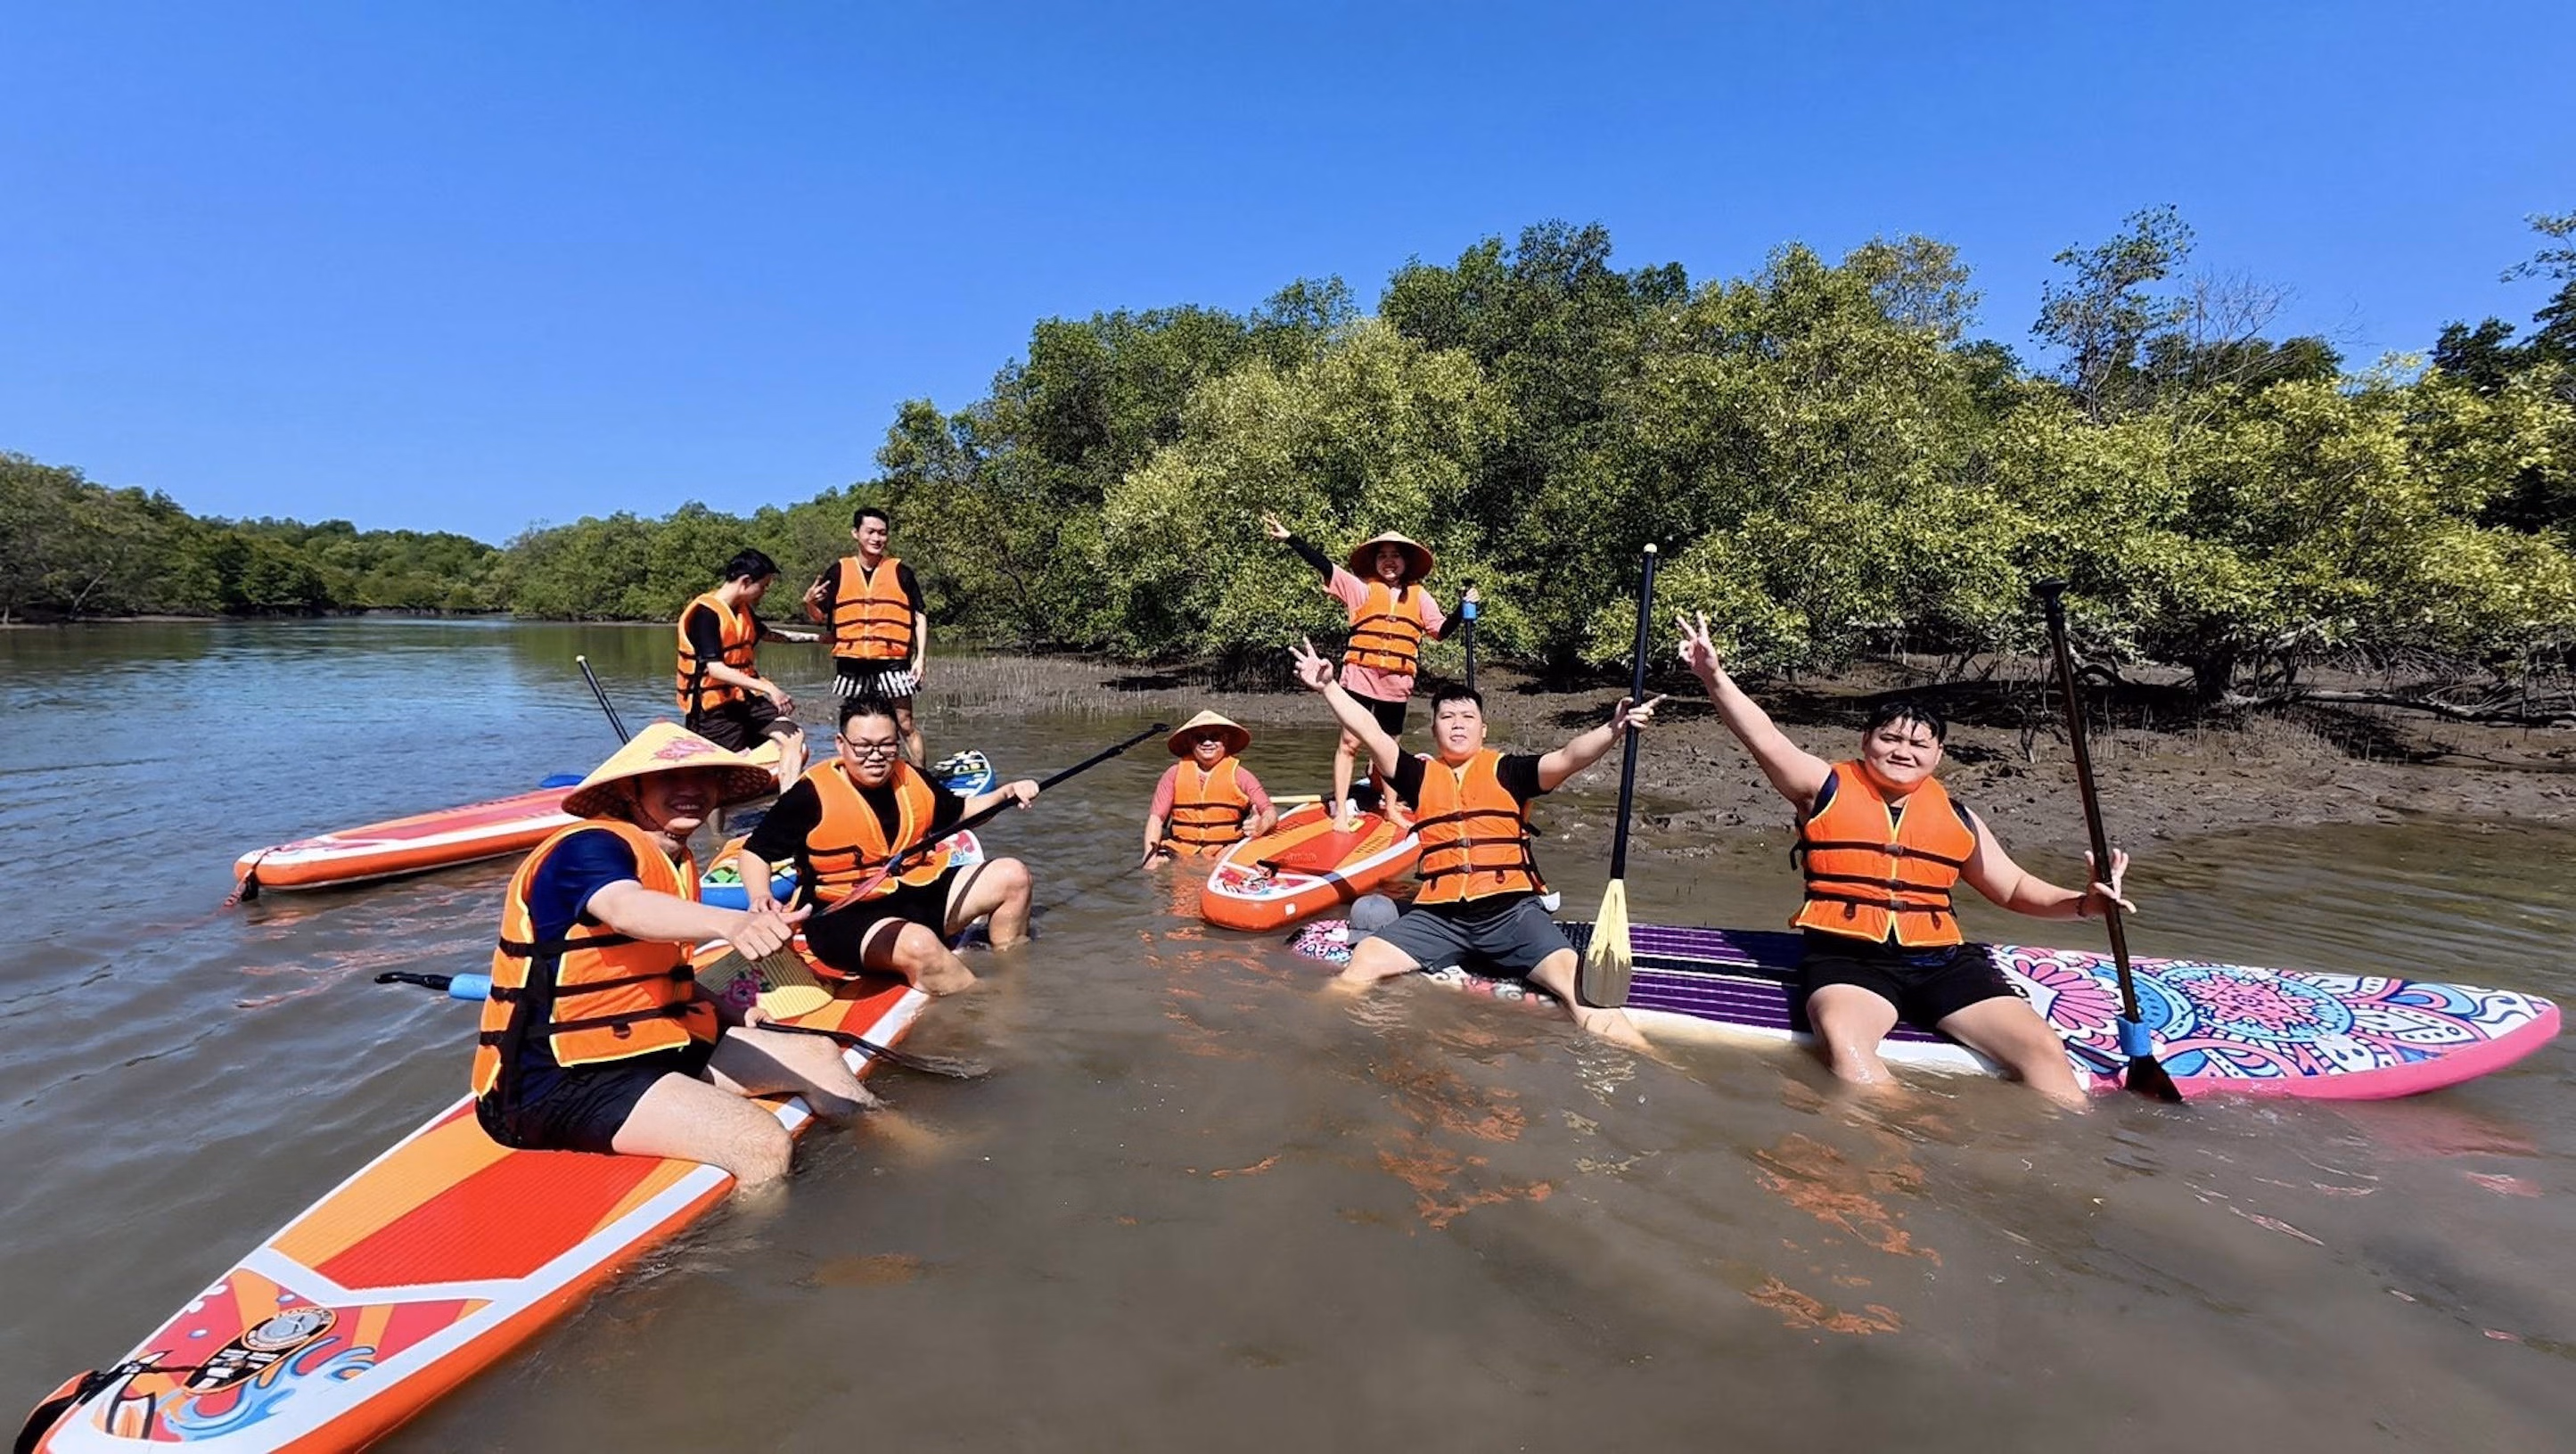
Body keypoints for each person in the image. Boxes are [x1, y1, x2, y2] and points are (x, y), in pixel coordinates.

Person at [1672, 612, 2134, 1107]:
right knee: (1848, 1052)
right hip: (1851, 961)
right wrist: (1713, 677)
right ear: (1866, 741)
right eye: (1889, 738)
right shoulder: (1821, 787)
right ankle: (1906, 1135)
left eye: (1918, 744)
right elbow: (1763, 736)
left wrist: (2085, 904)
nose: (1902, 751)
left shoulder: (1957, 816)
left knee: (2042, 1051)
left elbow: (2014, 889)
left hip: (1942, 963)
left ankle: (2068, 1140)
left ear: (1937, 755)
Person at [472, 723, 875, 1188]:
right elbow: (623, 908)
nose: (690, 790)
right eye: (669, 778)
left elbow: (658, 970)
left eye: (704, 778)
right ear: (630, 789)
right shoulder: (588, 848)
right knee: (761, 1141)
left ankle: (897, 1146)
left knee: (819, 1055)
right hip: (556, 1082)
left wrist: (726, 1010)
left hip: (657, 1044)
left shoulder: (673, 860)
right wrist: (732, 923)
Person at [1292, 637, 1660, 1047]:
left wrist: (1614, 729)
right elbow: (1369, 731)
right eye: (1447, 717)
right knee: (1365, 960)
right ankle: (1307, 1034)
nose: (1457, 724)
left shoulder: (1510, 771)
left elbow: (1569, 757)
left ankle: (1652, 1060)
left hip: (1512, 916)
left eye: (1468, 716)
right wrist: (1329, 687)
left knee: (1580, 989)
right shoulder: (1417, 775)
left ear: (1483, 730)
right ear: (1434, 730)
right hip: (1439, 919)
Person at [733, 699, 1040, 995]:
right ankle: (986, 1003)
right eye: (863, 746)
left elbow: (961, 813)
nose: (876, 756)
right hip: (843, 915)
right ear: (841, 744)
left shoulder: (912, 777)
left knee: (1013, 876)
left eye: (886, 745)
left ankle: (1011, 974)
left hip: (916, 894)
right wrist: (760, 896)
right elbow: (755, 852)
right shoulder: (808, 795)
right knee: (921, 945)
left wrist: (1005, 794)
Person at [1261, 513, 1478, 829]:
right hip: (1360, 678)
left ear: (1405, 562)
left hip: (1396, 685)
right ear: (1375, 562)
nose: (1389, 561)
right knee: (1350, 743)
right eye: (1382, 555)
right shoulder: (1361, 589)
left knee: (1388, 749)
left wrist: (1462, 608)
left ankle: (1391, 808)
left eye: (1395, 555)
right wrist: (1292, 539)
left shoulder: (1419, 596)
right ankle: (1340, 812)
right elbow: (1325, 566)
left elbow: (1441, 630)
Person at [677, 548, 816, 788]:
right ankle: (717, 814)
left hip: (744, 700)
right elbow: (715, 669)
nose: (764, 592)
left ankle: (788, 802)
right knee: (727, 772)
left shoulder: (741, 610)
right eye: (764, 586)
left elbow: (771, 635)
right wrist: (768, 688)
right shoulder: (705, 614)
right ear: (746, 581)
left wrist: (819, 639)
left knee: (793, 736)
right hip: (712, 711)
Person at [804, 506, 931, 766]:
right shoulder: (838, 572)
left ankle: (922, 778)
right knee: (855, 726)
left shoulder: (901, 572)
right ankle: (857, 775)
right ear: (856, 533)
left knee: (905, 723)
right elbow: (818, 617)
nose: (877, 538)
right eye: (870, 532)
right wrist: (809, 603)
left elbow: (919, 615)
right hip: (853, 662)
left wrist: (920, 658)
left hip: (892, 660)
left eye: (882, 533)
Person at [1141, 711, 1278, 867]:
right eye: (1200, 737)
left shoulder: (1242, 775)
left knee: (1222, 864)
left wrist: (1261, 825)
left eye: (1214, 737)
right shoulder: (1173, 774)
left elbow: (1270, 812)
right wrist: (1149, 856)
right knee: (1154, 865)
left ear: (1225, 740)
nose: (1207, 742)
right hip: (1179, 847)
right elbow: (1156, 818)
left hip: (1224, 848)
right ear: (1190, 742)